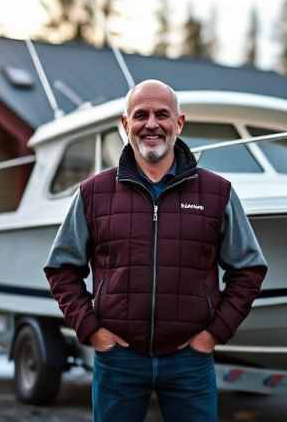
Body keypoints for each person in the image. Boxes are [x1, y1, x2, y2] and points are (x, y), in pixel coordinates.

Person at [43, 79, 267, 422]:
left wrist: (213, 334)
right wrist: (91, 330)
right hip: (119, 360)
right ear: (125, 124)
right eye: (140, 115)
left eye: (162, 114)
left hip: (190, 361)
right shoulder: (93, 193)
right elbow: (62, 268)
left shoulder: (217, 192)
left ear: (179, 123)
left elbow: (248, 268)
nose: (151, 124)